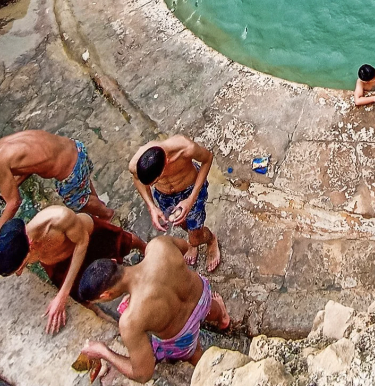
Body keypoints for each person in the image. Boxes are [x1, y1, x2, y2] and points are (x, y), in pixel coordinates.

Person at [77, 236, 230, 381]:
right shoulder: (158, 246)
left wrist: (103, 352)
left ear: (106, 295)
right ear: (113, 261)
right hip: (201, 296)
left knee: (194, 353)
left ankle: (210, 373)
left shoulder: (130, 320)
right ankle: (222, 318)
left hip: (183, 336)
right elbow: (184, 247)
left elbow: (143, 374)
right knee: (209, 306)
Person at [0, 207, 145, 333]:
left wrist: (62, 294)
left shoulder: (58, 218)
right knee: (80, 296)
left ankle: (146, 249)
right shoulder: (16, 247)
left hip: (88, 237)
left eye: (22, 267)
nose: (20, 273)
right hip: (57, 261)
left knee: (124, 243)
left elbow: (82, 242)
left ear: (30, 247)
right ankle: (109, 320)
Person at [129, 136, 220, 271]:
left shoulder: (184, 148)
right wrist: (151, 206)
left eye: (156, 180)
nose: (153, 184)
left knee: (195, 237)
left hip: (191, 190)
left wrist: (191, 200)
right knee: (180, 223)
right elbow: (137, 179)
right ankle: (193, 241)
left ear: (166, 161)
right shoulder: (135, 164)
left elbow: (208, 158)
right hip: (164, 196)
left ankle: (210, 240)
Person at [0, 131, 113, 230]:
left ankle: (107, 214)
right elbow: (27, 167)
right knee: (83, 186)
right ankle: (98, 205)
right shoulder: (4, 145)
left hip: (71, 169)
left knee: (77, 202)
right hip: (75, 148)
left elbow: (14, 202)